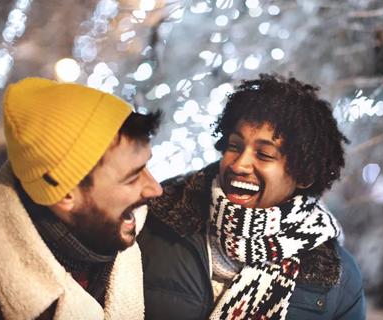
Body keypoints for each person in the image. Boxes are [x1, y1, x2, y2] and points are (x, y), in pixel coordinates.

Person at [139, 74, 366, 319]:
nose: (239, 165)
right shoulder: (157, 220)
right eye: (234, 146)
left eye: (265, 155)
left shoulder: (336, 278)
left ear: (304, 175)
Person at [0, 78, 163, 319]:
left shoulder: (132, 241)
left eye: (146, 166)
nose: (155, 188)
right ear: (65, 195)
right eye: (132, 177)